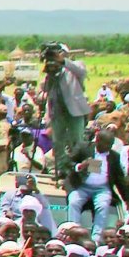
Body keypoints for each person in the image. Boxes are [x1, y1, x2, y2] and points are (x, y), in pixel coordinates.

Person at [40, 44, 89, 179]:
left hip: (75, 110)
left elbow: (82, 73)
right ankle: (62, 170)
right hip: (58, 111)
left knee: (77, 140)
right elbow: (46, 90)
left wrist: (63, 62)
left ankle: (80, 169)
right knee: (58, 142)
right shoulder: (52, 72)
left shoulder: (74, 65)